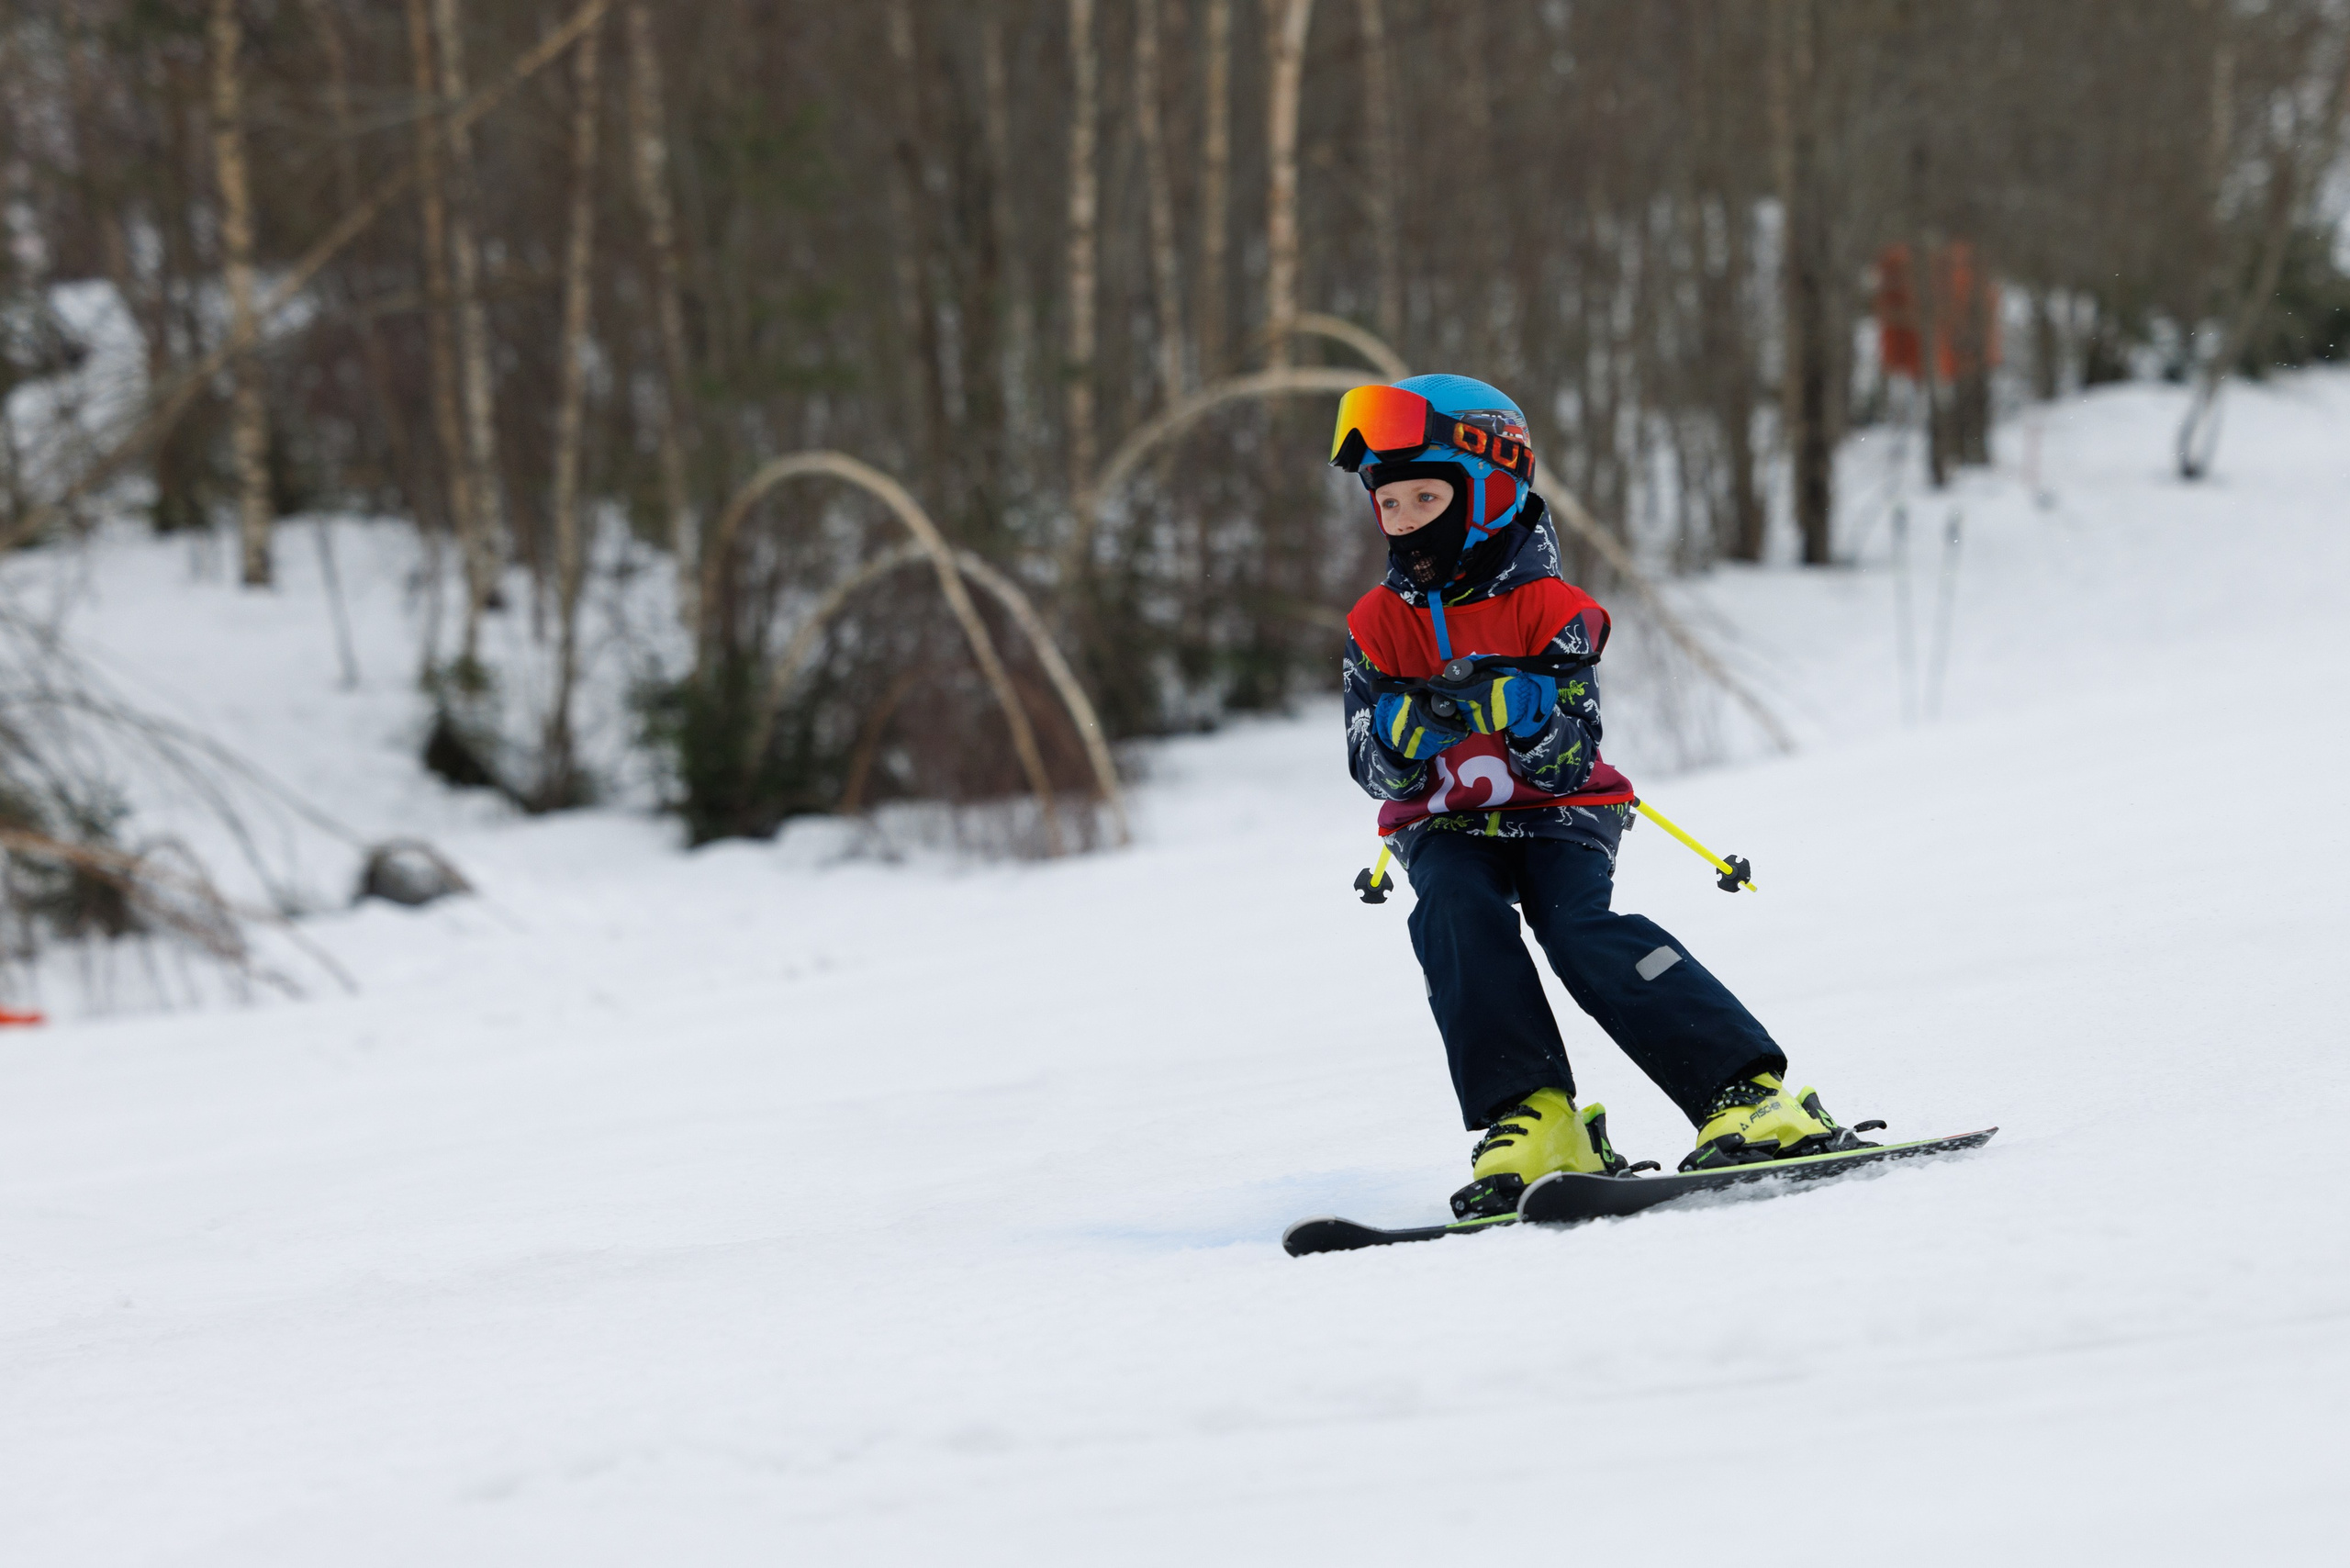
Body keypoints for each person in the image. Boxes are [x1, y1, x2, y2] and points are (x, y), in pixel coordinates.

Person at [1333, 374, 1870, 1220]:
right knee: (1454, 916)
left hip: (1559, 816)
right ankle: (1534, 1118)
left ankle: (1745, 1094)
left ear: (1489, 491)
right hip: (1442, 824)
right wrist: (1403, 732)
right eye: (1388, 504)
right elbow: (1367, 762)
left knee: (1578, 929)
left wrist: (1531, 715)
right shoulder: (1377, 624)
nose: (1402, 521)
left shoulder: (1553, 610)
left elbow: (1570, 756)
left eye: (1425, 496)